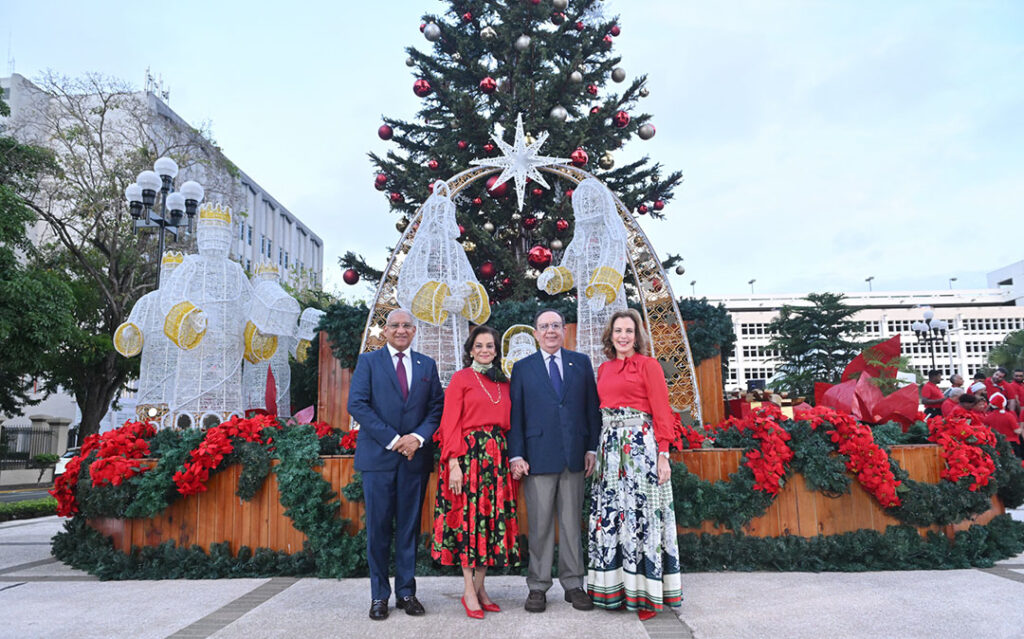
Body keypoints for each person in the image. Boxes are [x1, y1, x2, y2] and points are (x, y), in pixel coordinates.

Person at [347, 308, 444, 621]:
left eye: (406, 326)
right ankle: (379, 596)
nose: (401, 330)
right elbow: (357, 405)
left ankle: (406, 592)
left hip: (414, 460)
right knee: (377, 530)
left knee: (408, 530)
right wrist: (394, 440)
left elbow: (436, 408)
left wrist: (416, 438)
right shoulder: (368, 363)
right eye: (395, 326)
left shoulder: (426, 365)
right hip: (378, 459)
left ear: (414, 331)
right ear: (385, 331)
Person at [587, 309, 683, 621]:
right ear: (610, 335)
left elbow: (661, 411)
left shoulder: (649, 366)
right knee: (613, 517)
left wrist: (664, 453)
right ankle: (614, 590)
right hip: (610, 450)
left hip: (641, 449)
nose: (623, 336)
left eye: (629, 331)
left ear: (637, 336)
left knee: (641, 518)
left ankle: (647, 596)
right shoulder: (604, 369)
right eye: (618, 331)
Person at [508, 309, 601, 613]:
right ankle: (538, 586)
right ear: (535, 333)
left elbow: (592, 410)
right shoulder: (522, 368)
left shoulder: (581, 363)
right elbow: (516, 415)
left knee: (572, 524)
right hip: (537, 457)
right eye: (544, 326)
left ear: (564, 331)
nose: (550, 331)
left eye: (556, 326)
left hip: (575, 456)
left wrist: (591, 448)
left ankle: (573, 584)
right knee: (540, 525)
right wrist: (517, 454)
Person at [432, 325, 520, 619]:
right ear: (470, 350)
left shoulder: (504, 383)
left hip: (496, 461)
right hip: (467, 459)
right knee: (469, 524)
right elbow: (449, 423)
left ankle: (480, 588)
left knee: (490, 524)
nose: (485, 351)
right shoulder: (461, 379)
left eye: (490, 346)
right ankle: (469, 590)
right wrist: (453, 463)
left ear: (497, 351)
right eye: (479, 346)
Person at [984, 393, 1023, 458]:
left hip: (996, 443)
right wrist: (1021, 427)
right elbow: (1017, 431)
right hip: (1011, 443)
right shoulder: (1009, 416)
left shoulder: (988, 417)